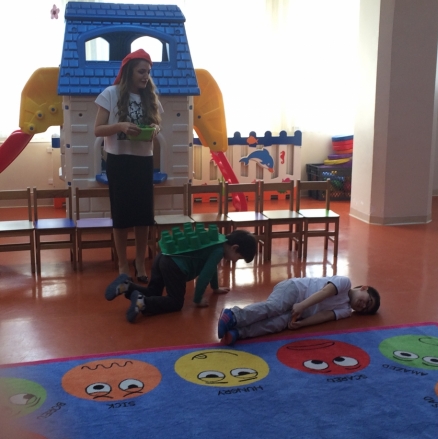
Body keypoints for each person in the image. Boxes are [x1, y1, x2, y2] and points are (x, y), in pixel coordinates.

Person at [94, 49, 162, 282]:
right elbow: (98, 129)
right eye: (141, 71)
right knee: (122, 216)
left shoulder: (150, 97)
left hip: (143, 161)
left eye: (148, 72)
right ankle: (123, 263)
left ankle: (140, 262)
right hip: (119, 161)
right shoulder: (110, 94)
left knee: (143, 216)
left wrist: (155, 129)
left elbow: (157, 124)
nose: (145, 76)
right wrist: (120, 126)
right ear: (129, 71)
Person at [105, 230, 258, 323]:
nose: (235, 261)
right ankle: (142, 302)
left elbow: (211, 269)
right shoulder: (218, 252)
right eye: (239, 258)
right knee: (176, 302)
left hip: (162, 257)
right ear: (234, 248)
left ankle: (126, 286)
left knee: (154, 291)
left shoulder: (218, 239)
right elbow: (204, 276)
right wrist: (197, 299)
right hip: (174, 266)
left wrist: (215, 288)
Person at [217, 275, 380, 345]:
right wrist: (302, 305)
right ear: (364, 288)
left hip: (299, 312)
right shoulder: (345, 282)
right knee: (275, 307)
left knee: (277, 324)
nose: (363, 306)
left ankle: (239, 333)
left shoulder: (345, 311)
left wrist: (303, 323)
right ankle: (233, 316)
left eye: (365, 309)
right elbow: (324, 292)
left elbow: (325, 316)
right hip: (295, 290)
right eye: (368, 301)